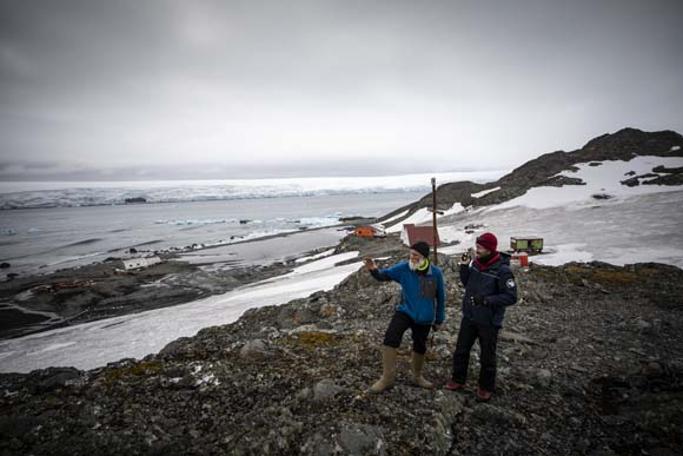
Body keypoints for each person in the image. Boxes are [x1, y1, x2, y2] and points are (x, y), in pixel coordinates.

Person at [364, 241, 446, 393]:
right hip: (406, 311)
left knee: (420, 345)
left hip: (425, 316)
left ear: (424, 257)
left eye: (415, 255)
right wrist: (374, 270)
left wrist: (439, 319)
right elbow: (384, 276)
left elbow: (441, 298)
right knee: (391, 337)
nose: (412, 257)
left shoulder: (435, 273)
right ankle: (387, 379)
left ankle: (417, 377)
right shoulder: (403, 268)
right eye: (411, 254)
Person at [445, 232, 517, 402]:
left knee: (487, 356)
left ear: (490, 249)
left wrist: (486, 300)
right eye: (477, 246)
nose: (477, 250)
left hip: (489, 321)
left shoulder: (503, 271)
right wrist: (464, 266)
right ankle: (458, 380)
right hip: (470, 316)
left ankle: (485, 387)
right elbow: (467, 283)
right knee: (461, 350)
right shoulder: (476, 264)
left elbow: (511, 297)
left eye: (480, 247)